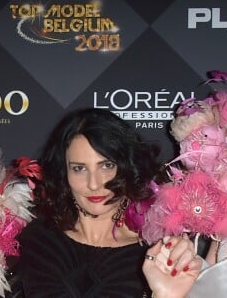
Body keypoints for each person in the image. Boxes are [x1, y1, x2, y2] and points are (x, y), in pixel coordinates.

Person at [10, 108, 202, 298]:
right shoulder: (35, 239)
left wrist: (166, 296)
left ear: (128, 166)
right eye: (79, 168)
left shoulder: (154, 253)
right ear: (64, 173)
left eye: (107, 166)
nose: (94, 184)